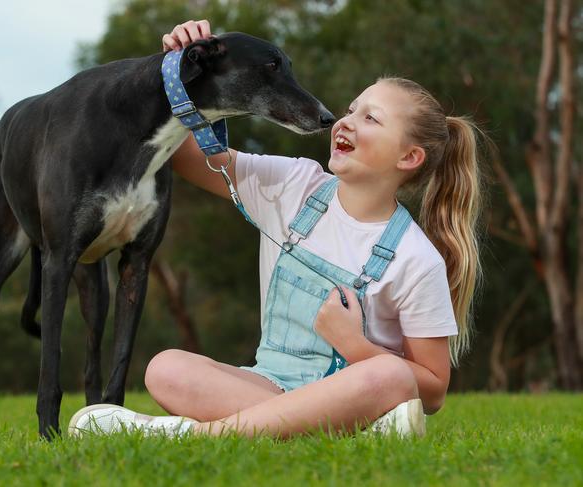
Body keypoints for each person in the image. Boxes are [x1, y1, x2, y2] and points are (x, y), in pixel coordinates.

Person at [69, 19, 484, 439]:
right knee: (166, 369)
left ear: (409, 157)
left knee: (389, 377)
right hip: (265, 383)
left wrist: (356, 346)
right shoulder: (293, 185)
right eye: (351, 109)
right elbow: (188, 156)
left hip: (354, 393)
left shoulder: (415, 257)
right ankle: (344, 433)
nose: (346, 121)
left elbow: (431, 390)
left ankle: (185, 435)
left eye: (371, 119)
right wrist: (178, 68)